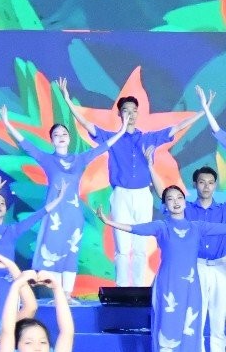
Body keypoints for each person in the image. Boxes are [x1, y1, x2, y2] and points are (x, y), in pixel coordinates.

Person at [87, 88, 214, 287]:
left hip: (143, 195)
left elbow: (178, 127)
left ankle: (138, 290)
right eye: (126, 110)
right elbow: (88, 126)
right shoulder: (112, 138)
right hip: (121, 194)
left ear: (138, 113)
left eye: (134, 110)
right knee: (122, 246)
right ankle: (121, 289)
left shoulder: (148, 138)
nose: (131, 114)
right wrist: (68, 101)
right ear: (120, 113)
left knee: (140, 246)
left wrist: (202, 110)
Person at [107, 182, 210, 352]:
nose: (176, 202)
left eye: (179, 198)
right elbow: (135, 228)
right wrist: (109, 222)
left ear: (185, 202)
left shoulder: (197, 227)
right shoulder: (162, 226)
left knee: (189, 328)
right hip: (167, 285)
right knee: (167, 326)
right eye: (170, 199)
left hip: (191, 287)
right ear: (164, 205)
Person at [0, 115, 102, 294]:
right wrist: (7, 123)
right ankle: (57, 294)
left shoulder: (80, 159)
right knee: (53, 249)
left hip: (73, 215)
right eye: (56, 134)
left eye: (64, 133)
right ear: (52, 140)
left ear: (70, 138)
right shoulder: (47, 159)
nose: (61, 136)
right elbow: (25, 144)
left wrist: (123, 129)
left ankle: (67, 295)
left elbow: (103, 148)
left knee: (71, 252)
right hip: (54, 212)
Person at [189, 166, 226, 352]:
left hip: (221, 267)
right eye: (202, 182)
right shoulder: (186, 209)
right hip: (197, 266)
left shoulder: (222, 210)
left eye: (211, 182)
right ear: (195, 184)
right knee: (197, 320)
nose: (206, 186)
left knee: (219, 322)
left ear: (216, 185)